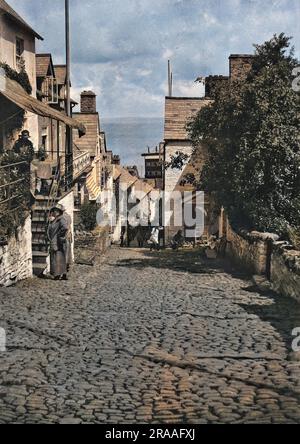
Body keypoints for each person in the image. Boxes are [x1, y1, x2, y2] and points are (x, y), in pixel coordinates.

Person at [47, 204, 68, 280]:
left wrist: (60, 235)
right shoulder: (55, 220)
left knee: (58, 257)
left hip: (58, 241)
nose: (54, 212)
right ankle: (62, 273)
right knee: (59, 257)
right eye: (54, 211)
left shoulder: (61, 219)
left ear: (59, 212)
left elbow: (65, 228)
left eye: (56, 211)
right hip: (55, 241)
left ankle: (58, 274)